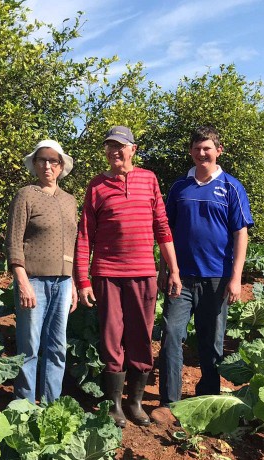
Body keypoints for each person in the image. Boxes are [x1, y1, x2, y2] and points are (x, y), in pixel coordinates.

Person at [74, 125, 182, 427]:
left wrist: (173, 270)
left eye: (120, 146)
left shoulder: (149, 179)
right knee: (111, 338)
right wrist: (83, 279)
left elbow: (162, 227)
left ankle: (135, 403)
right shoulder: (97, 186)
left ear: (133, 149)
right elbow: (85, 235)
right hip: (107, 273)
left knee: (141, 337)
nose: (114, 151)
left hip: (143, 273)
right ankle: (114, 406)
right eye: (110, 146)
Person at [152, 126, 254, 426]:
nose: (201, 153)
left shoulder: (231, 187)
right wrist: (164, 270)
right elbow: (166, 231)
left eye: (207, 148)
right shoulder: (179, 187)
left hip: (217, 279)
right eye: (196, 148)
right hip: (180, 278)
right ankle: (169, 403)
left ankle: (207, 401)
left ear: (218, 151)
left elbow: (240, 233)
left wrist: (236, 278)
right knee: (172, 336)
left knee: (211, 342)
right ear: (191, 151)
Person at [6, 139, 78, 403]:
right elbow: (14, 242)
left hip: (63, 282)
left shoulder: (70, 201)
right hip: (33, 280)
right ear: (35, 164)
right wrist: (22, 281)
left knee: (57, 347)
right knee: (30, 347)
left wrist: (73, 283)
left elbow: (72, 243)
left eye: (53, 161)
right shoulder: (26, 195)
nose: (47, 166)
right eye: (42, 160)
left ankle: (51, 404)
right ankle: (24, 405)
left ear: (60, 166)